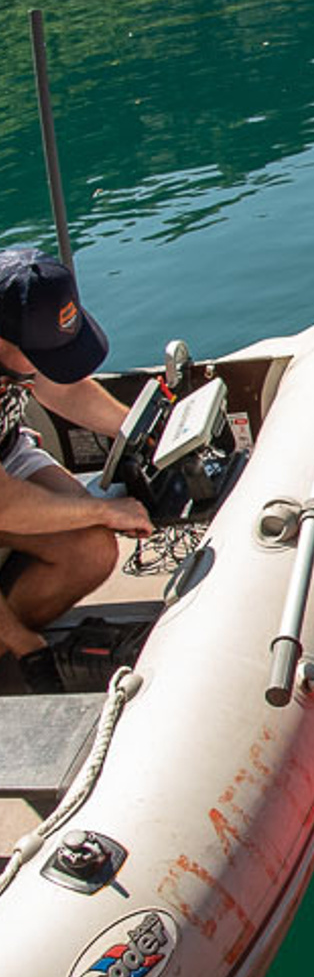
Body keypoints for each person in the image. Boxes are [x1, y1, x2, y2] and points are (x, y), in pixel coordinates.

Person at [0, 251, 153, 681]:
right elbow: (5, 505)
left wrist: (136, 430)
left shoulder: (18, 324)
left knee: (93, 552)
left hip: (6, 449)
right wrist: (105, 509)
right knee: (95, 522)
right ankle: (19, 646)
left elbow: (60, 386)